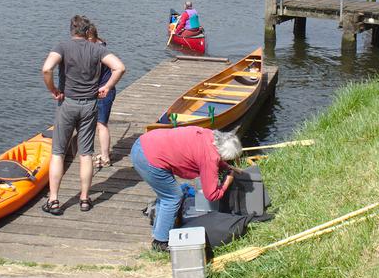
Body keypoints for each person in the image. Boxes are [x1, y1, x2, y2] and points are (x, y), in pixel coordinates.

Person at [41, 15, 125, 215]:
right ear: (88, 31)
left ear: (71, 30)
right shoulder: (97, 49)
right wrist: (107, 87)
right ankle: (85, 199)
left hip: (67, 104)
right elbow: (119, 67)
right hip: (90, 105)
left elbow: (46, 68)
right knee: (86, 154)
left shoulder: (62, 47)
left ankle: (53, 200)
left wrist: (52, 89)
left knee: (58, 153)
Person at [131, 126, 242, 251]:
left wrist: (226, 167)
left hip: (143, 143)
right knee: (173, 197)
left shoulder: (209, 135)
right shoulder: (209, 158)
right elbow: (211, 195)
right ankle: (160, 242)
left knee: (166, 195)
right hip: (148, 159)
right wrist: (228, 181)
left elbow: (215, 155)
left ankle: (159, 232)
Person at [86, 24, 115, 169]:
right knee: (96, 123)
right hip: (99, 90)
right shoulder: (99, 48)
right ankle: (102, 154)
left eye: (86, 39)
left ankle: (105, 157)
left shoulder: (98, 51)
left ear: (92, 37)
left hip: (103, 92)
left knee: (101, 124)